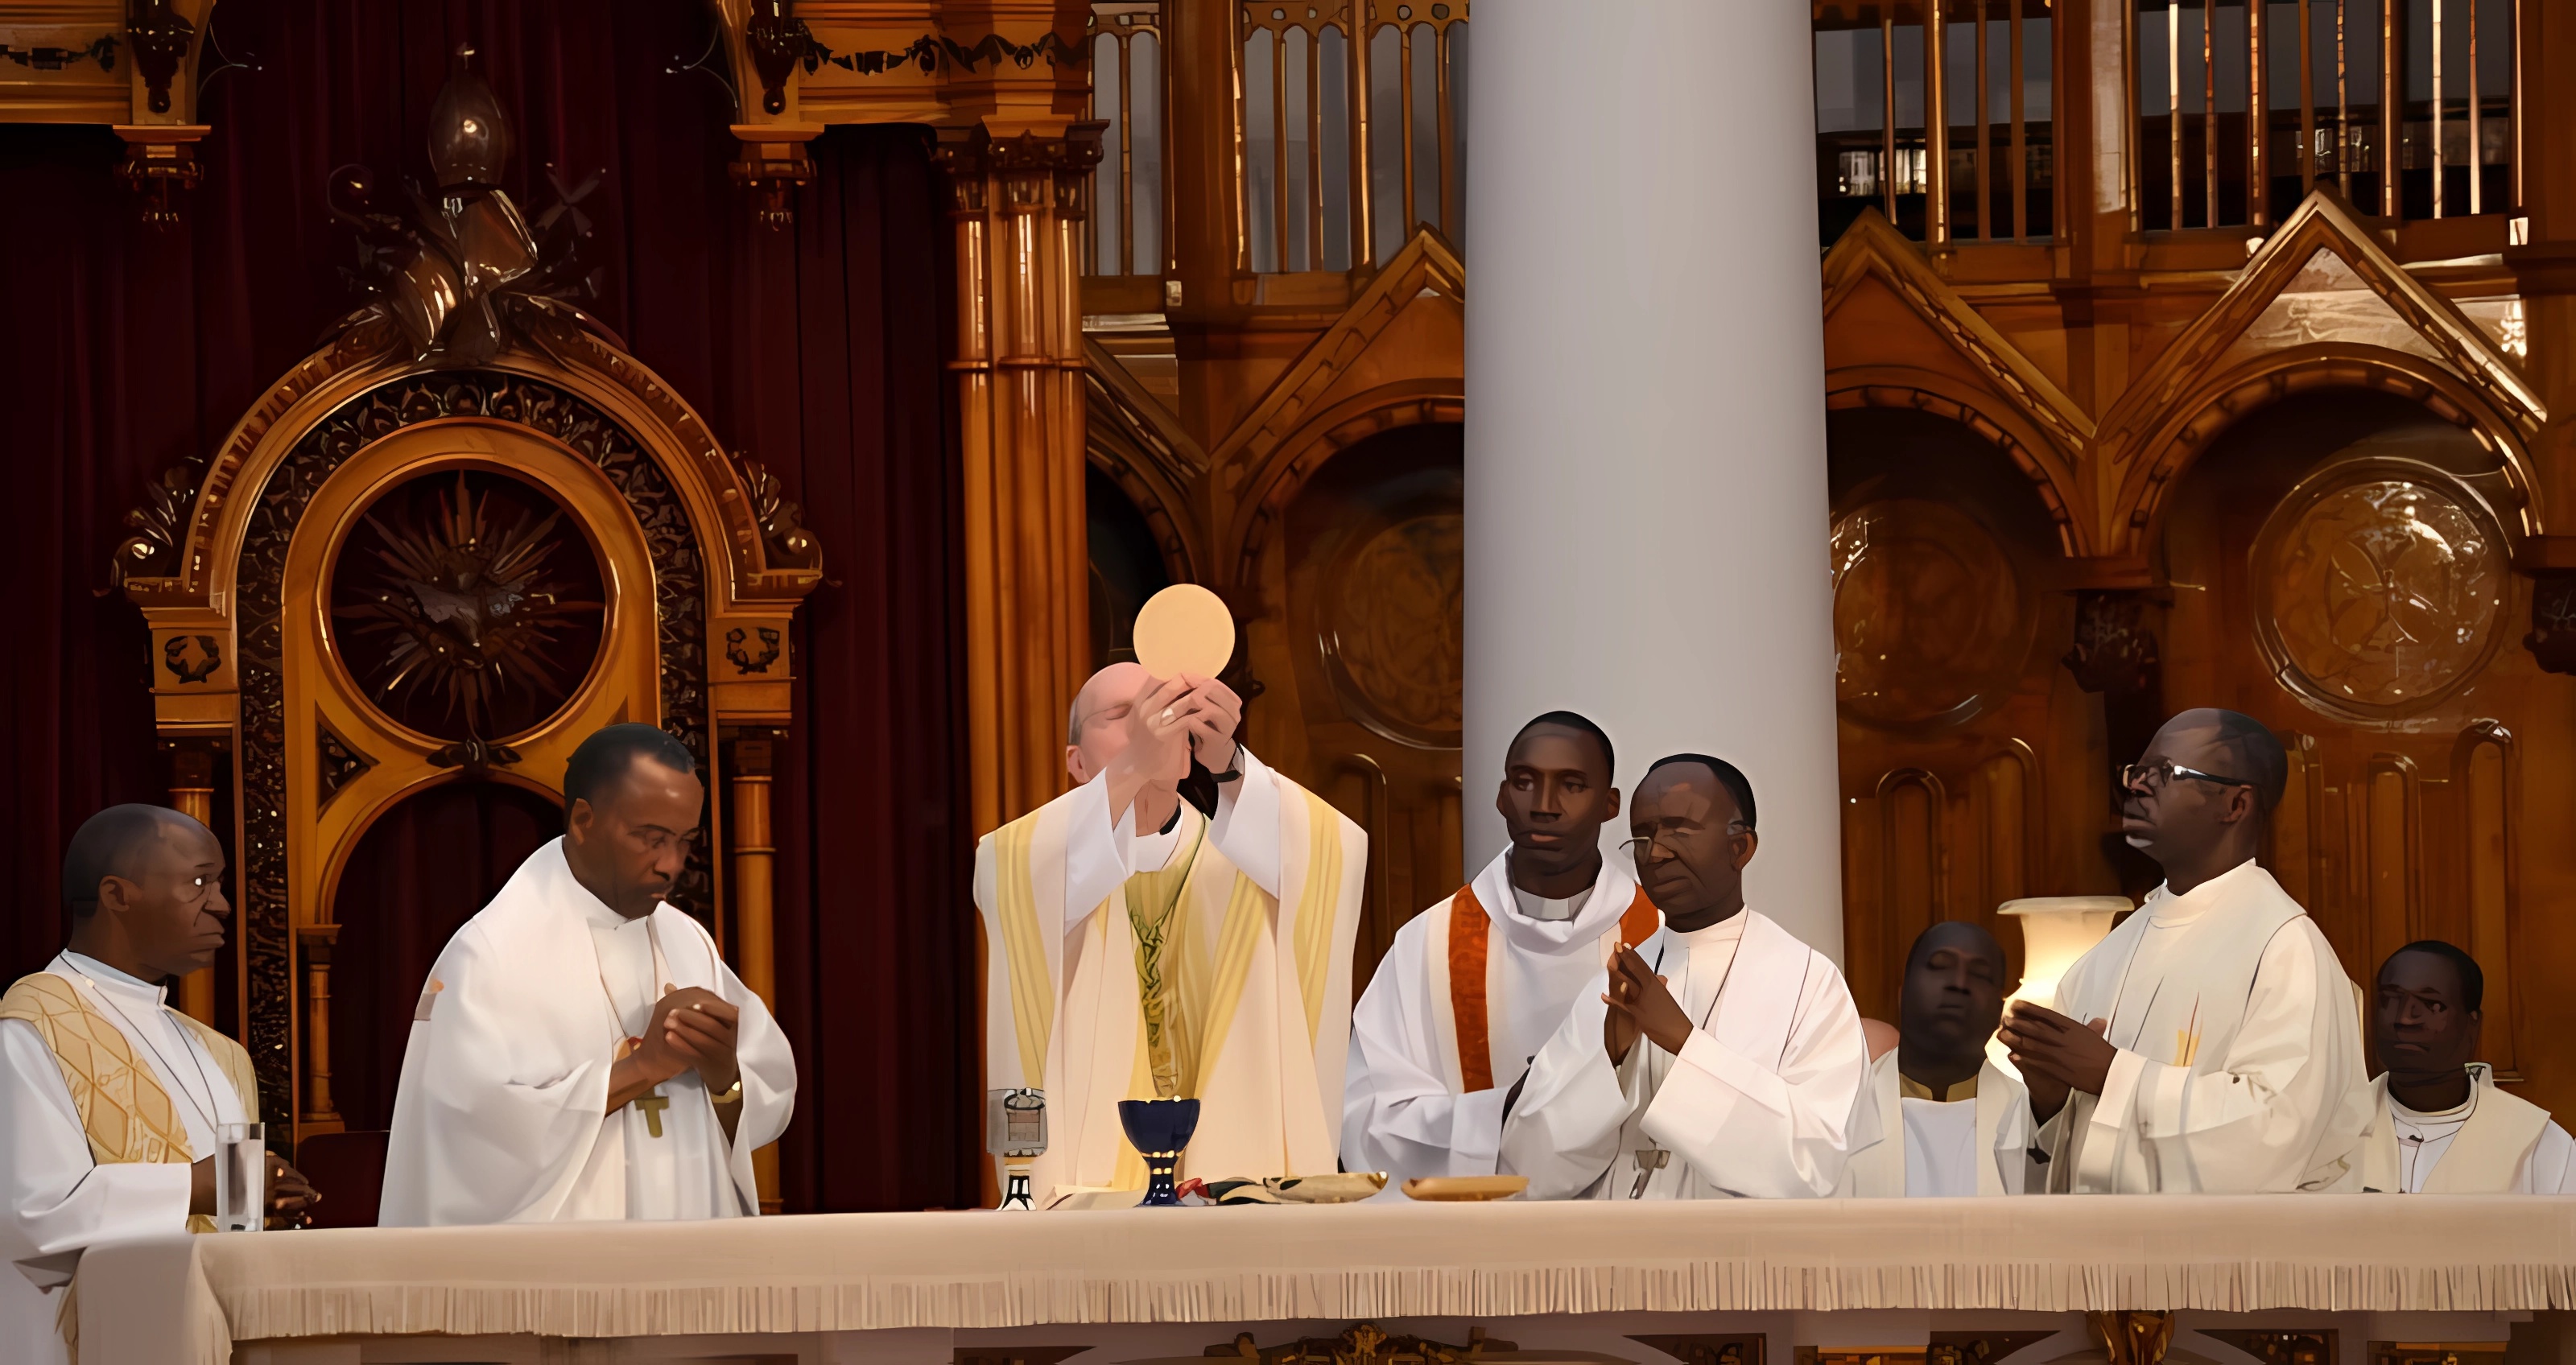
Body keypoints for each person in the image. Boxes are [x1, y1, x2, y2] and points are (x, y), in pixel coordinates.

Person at [976, 663, 1365, 1199]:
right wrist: (1135, 764)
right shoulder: (1034, 863)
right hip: (1086, 1212)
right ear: (1077, 763)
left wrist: (1229, 764)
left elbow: (1329, 852)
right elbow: (1017, 865)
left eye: (1166, 709)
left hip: (1233, 1201)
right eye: (1123, 716)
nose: (1151, 724)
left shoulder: (1249, 861)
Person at [382, 724, 795, 1224]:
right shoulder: (490, 953)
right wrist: (643, 1068)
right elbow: (462, 1140)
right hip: (564, 1275)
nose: (672, 865)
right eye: (651, 839)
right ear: (583, 820)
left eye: (685, 841)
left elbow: (762, 1105)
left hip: (692, 1252)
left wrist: (723, 1073)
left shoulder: (688, 941)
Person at [2000, 708, 2368, 1193]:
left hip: (2217, 1263)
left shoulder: (2284, 948)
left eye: (2166, 774)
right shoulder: (2104, 956)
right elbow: (2059, 1158)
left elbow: (2276, 1131)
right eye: (2137, 771)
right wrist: (2049, 1100)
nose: (2138, 786)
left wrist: (2113, 1074)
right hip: (2100, 1257)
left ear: (2236, 805)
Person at [1, 806, 317, 1365]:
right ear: (119, 895)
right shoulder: (33, 1024)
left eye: (219, 884)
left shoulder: (223, 1054)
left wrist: (263, 1205)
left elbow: (228, 1214)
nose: (221, 905)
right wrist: (195, 1188)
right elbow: (31, 1215)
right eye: (200, 883)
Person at [1498, 754, 1868, 1199]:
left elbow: (1816, 1163)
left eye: (1679, 829)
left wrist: (1682, 1041)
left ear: (1741, 848)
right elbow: (1525, 1168)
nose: (1655, 853)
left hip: (1739, 1263)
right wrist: (1609, 1058)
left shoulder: (1808, 982)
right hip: (1614, 1258)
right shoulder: (1614, 981)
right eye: (1642, 835)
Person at [1343, 711, 1657, 1182]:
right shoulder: (1429, 943)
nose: (1545, 805)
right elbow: (1367, 1117)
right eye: (1525, 782)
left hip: (1625, 1231)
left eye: (1572, 785)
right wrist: (1502, 1111)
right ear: (1502, 796)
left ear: (1610, 804)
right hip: (1474, 1238)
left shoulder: (1659, 937)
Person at [2355, 940, 2574, 1194]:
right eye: (2390, 1000)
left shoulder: (2538, 1143)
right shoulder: (2329, 1128)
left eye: (2432, 1005)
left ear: (2473, 1026)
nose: (2404, 1018)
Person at [1838, 922, 2030, 1197]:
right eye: (1940, 966)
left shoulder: (2029, 1119)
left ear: (2000, 1011)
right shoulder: (1841, 1112)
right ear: (1903, 994)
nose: (1959, 983)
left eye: (1980, 974)